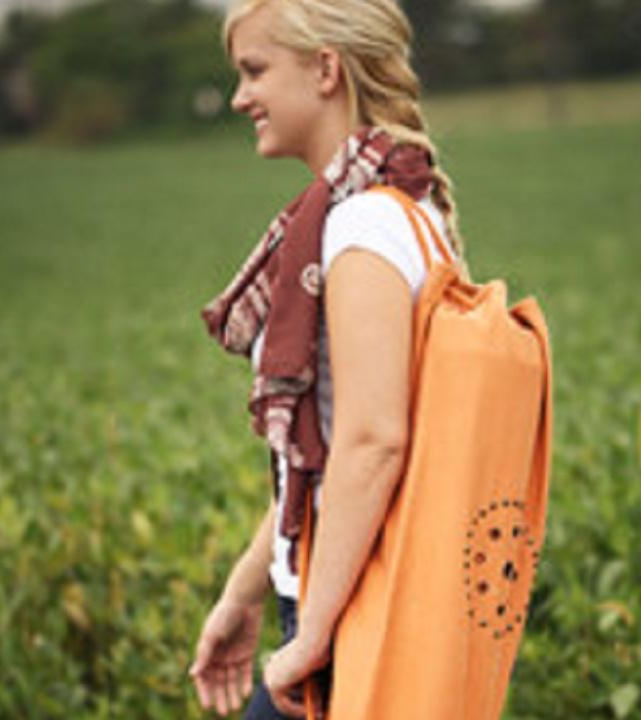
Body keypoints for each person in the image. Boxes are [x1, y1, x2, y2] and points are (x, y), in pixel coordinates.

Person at [187, 1, 469, 718]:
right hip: (342, 600)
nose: (239, 96)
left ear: (324, 69)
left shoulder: (362, 227)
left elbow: (373, 443)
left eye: (254, 71)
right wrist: (245, 592)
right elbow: (323, 456)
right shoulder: (402, 208)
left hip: (343, 619)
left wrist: (310, 635)